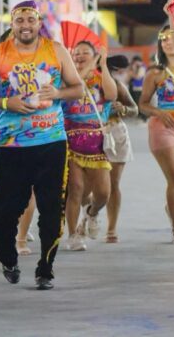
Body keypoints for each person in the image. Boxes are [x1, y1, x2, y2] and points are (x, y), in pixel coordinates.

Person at [0, 0, 83, 290]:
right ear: (12, 23)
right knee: (6, 211)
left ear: (38, 22)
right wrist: (5, 102)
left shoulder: (56, 50)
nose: (25, 25)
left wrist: (58, 91)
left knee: (51, 209)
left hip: (51, 142)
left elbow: (79, 88)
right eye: (19, 20)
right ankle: (8, 259)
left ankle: (45, 269)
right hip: (11, 145)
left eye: (30, 20)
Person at [62, 42, 117, 251]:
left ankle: (92, 214)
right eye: (76, 53)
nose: (80, 56)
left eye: (86, 52)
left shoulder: (100, 77)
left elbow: (111, 96)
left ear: (94, 55)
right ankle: (73, 235)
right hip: (70, 141)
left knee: (103, 193)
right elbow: (71, 88)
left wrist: (102, 64)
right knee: (75, 189)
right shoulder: (67, 79)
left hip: (97, 143)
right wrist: (91, 60)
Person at [138, 23, 174, 244]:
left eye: (172, 37)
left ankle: (171, 206)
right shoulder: (156, 73)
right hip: (164, 128)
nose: (168, 42)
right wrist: (158, 111)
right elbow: (142, 104)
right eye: (163, 39)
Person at [104, 55, 138, 243]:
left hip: (115, 134)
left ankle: (111, 228)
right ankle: (89, 214)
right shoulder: (80, 82)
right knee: (88, 187)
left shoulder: (117, 85)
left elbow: (135, 109)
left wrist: (123, 109)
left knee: (113, 184)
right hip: (89, 135)